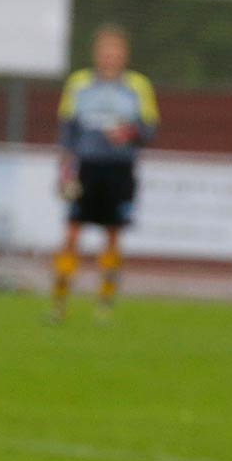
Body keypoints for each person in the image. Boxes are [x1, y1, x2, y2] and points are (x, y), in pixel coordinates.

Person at [49, 24, 157, 322]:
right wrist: (65, 170)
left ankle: (104, 303)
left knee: (112, 235)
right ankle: (59, 302)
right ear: (97, 54)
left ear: (124, 56)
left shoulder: (137, 87)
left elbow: (148, 130)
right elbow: (67, 131)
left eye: (115, 52)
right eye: (105, 51)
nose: (110, 57)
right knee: (71, 233)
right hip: (87, 167)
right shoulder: (79, 84)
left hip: (119, 168)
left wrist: (129, 132)